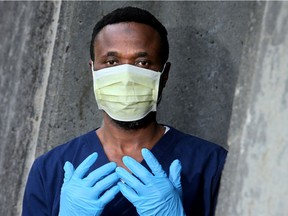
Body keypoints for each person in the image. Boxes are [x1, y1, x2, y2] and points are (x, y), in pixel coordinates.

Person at [22, 6, 227, 216]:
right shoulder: (50, 170)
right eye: (112, 62)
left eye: (142, 63)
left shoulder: (211, 165)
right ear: (93, 71)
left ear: (164, 74)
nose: (126, 76)